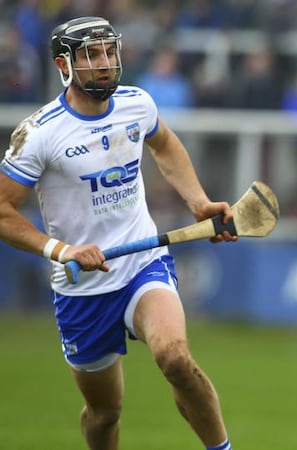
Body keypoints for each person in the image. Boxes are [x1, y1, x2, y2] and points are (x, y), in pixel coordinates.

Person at [0, 17, 235, 450]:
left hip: (143, 265)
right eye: (90, 55)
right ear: (63, 65)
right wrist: (61, 250)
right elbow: (2, 210)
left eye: (108, 51)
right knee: (105, 413)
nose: (104, 63)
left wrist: (198, 202)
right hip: (82, 290)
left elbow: (164, 145)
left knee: (175, 358)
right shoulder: (39, 134)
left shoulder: (137, 104)